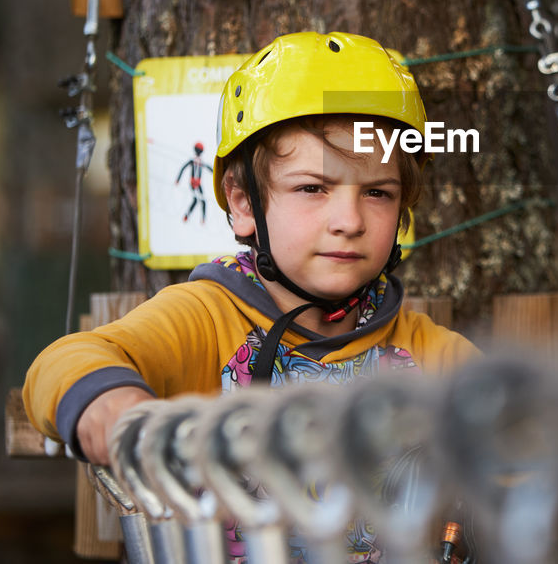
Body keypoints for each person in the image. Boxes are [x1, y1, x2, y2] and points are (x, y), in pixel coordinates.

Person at [24, 31, 479, 557]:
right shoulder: (205, 318)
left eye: (377, 192)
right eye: (313, 188)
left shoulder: (427, 351)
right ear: (243, 205)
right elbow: (63, 362)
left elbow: (539, 434)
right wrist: (119, 411)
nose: (349, 221)